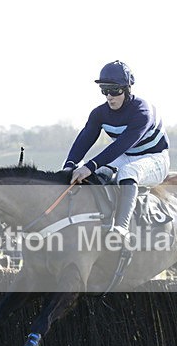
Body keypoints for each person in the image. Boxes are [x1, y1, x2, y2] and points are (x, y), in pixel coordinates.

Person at [62, 60, 170, 237]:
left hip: (155, 158)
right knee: (100, 173)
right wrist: (69, 165)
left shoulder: (143, 111)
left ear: (127, 89)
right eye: (104, 90)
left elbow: (123, 144)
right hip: (127, 155)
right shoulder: (99, 113)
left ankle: (122, 227)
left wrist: (89, 166)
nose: (109, 96)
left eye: (114, 90)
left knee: (128, 172)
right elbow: (84, 139)